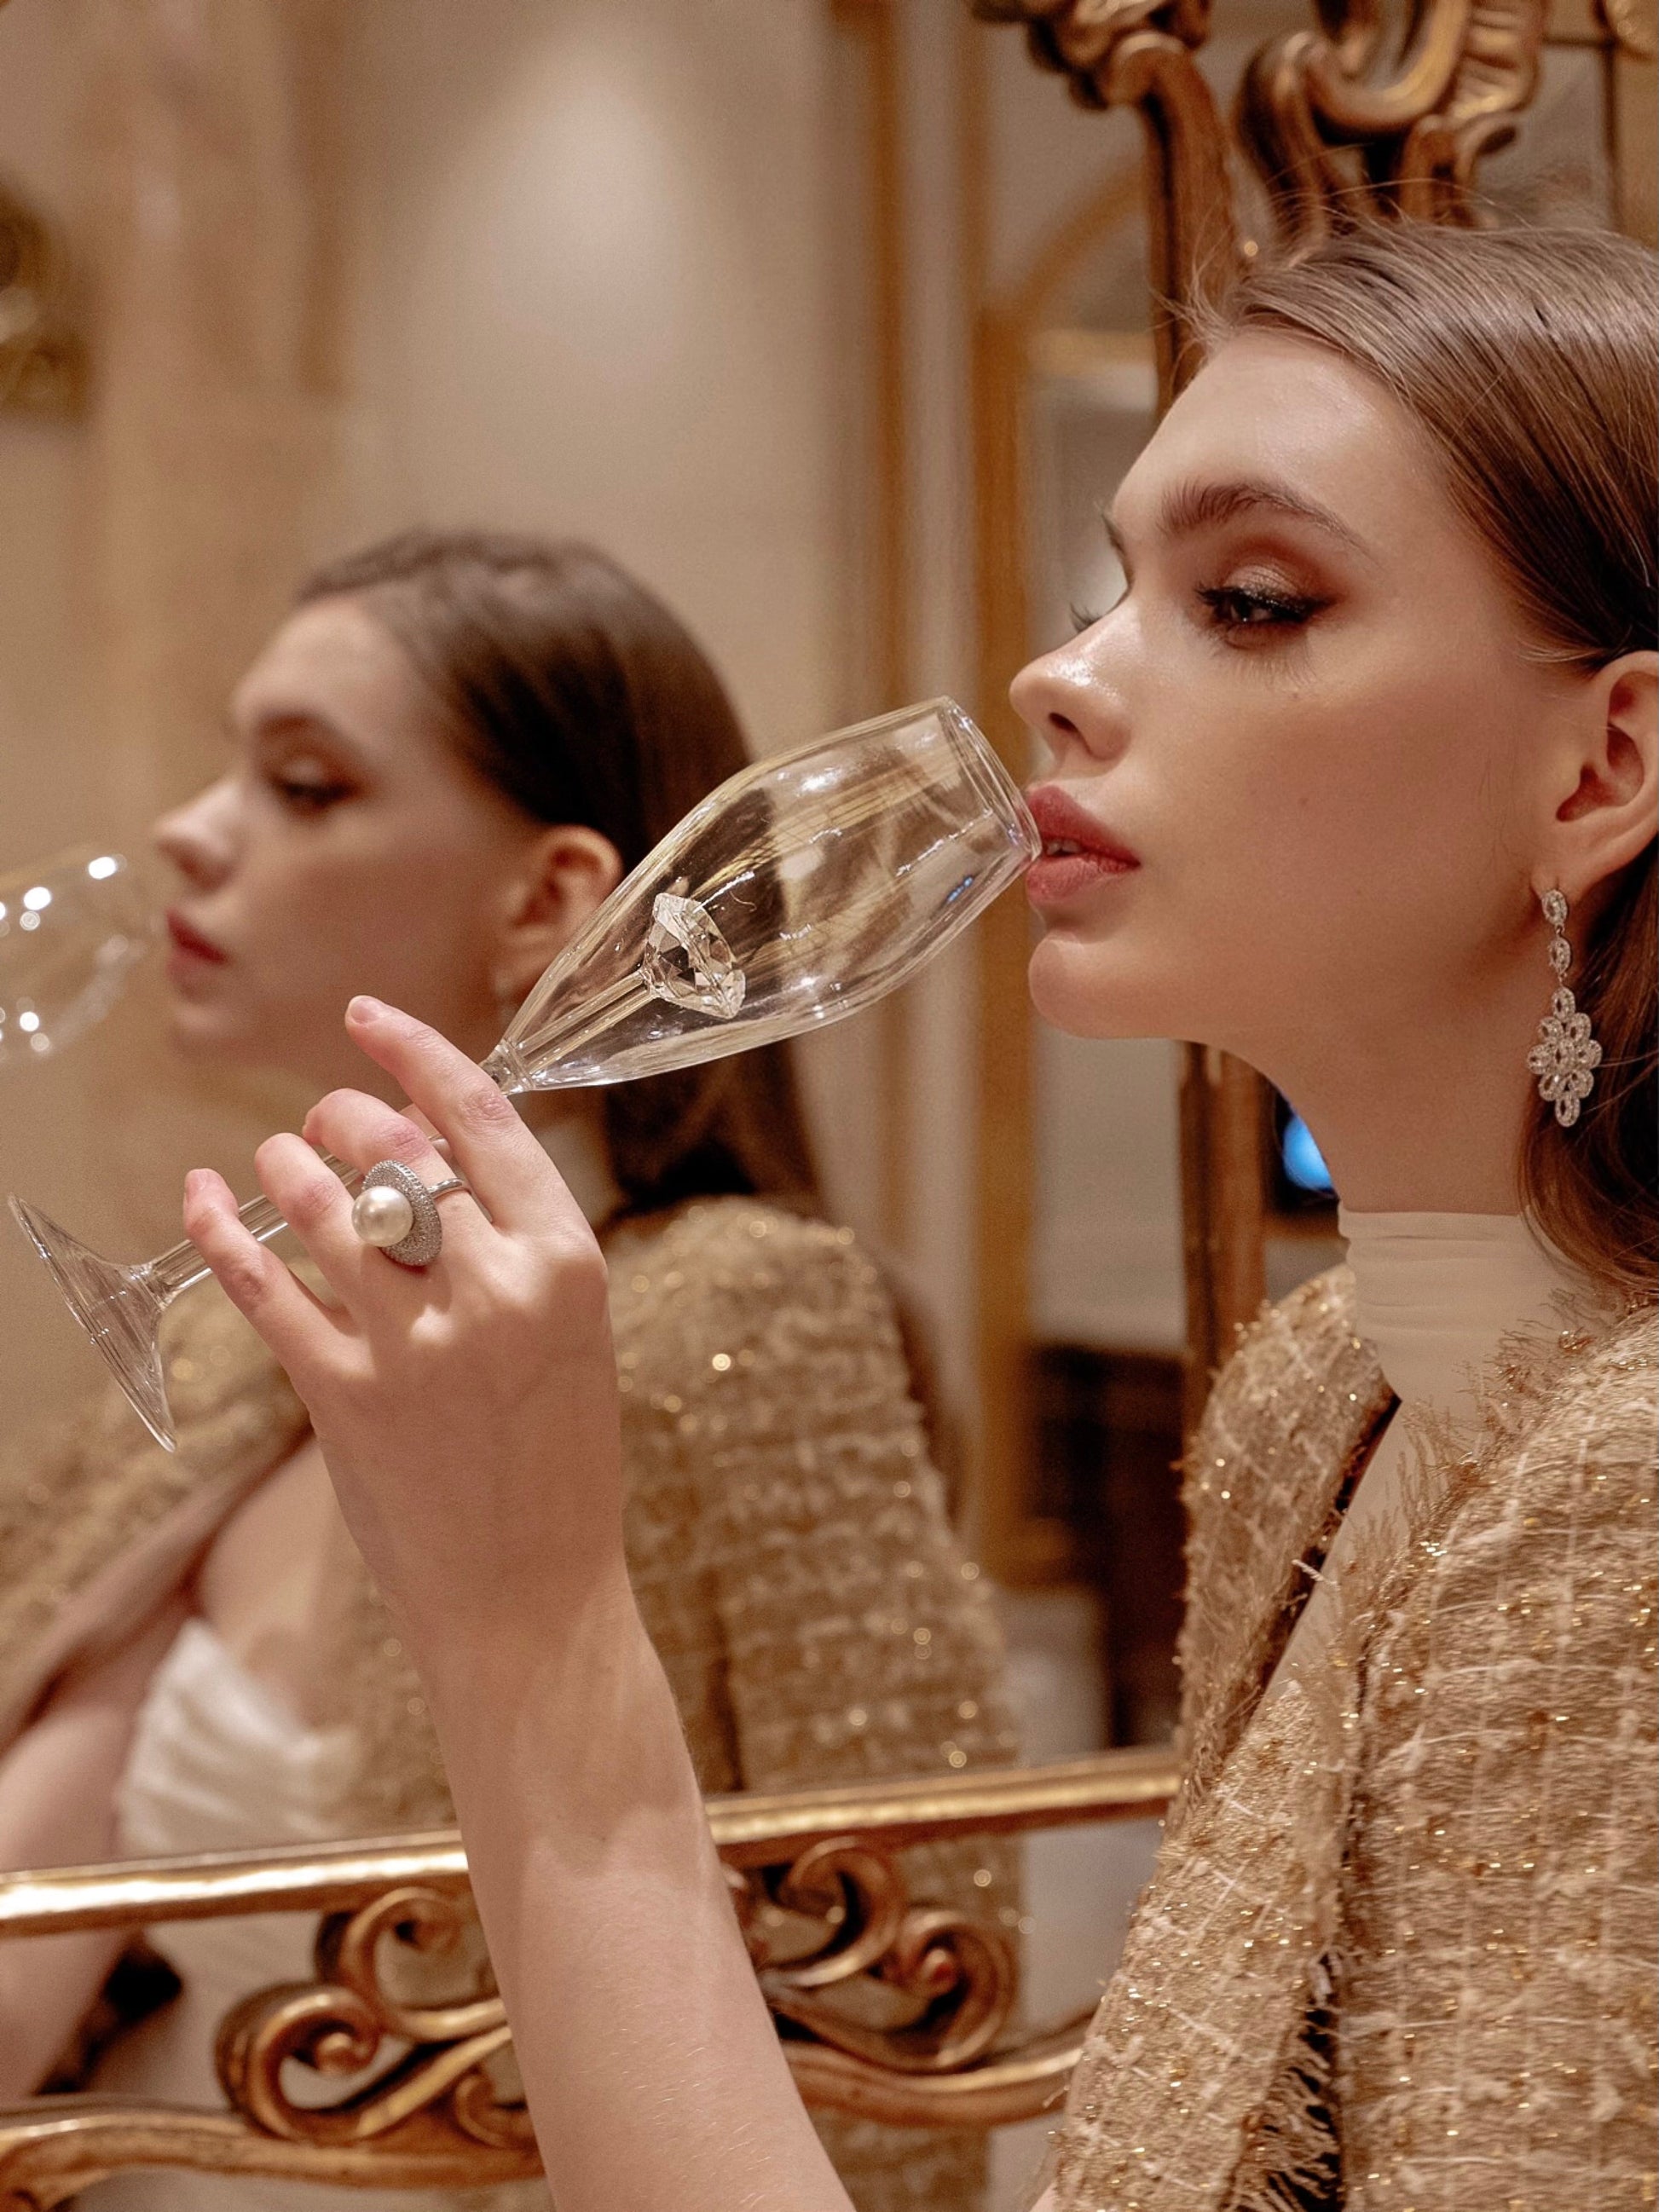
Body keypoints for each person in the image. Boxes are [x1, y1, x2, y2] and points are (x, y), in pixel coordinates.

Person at [175, 222, 1657, 2211]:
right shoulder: (1320, 1395)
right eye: (1115, 585)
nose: (1059, 672)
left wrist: (528, 1625)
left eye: (1249, 596)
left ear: (1606, 761)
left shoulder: (1619, 1494)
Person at [0, 534, 1018, 2212]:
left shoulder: (733, 1314)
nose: (189, 827)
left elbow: (914, 2016)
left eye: (307, 783)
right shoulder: (241, 1350)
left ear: (548, 901)